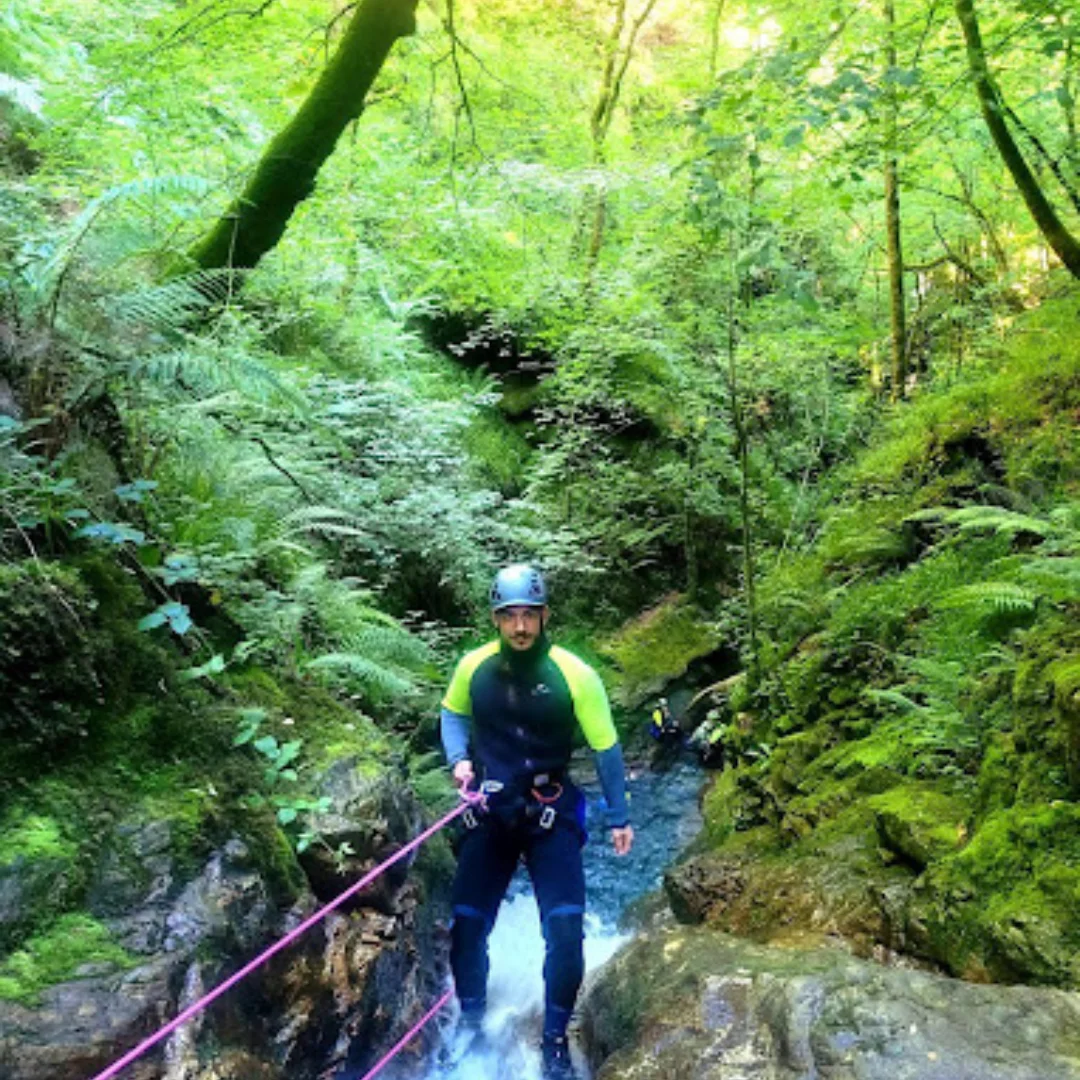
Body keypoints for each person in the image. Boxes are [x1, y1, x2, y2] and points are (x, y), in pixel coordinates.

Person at [440, 564, 633, 1080]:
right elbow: (452, 713)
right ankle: (473, 1024)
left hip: (552, 812)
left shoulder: (575, 675)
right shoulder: (473, 667)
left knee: (566, 932)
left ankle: (554, 1040)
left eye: (529, 615)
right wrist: (459, 758)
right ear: (496, 620)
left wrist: (619, 815)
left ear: (546, 616)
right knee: (465, 927)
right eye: (510, 617)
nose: (521, 627)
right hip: (492, 810)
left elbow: (607, 748)